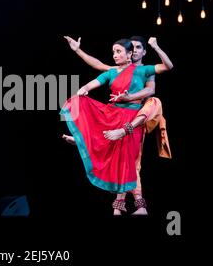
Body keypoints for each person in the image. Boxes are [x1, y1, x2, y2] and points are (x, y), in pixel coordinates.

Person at [62, 35, 173, 215]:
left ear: (142, 52)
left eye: (137, 48)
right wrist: (78, 51)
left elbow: (152, 88)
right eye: (132, 47)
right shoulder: (116, 70)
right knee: (121, 156)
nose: (134, 50)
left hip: (137, 116)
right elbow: (97, 65)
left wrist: (156, 47)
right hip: (115, 114)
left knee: (154, 103)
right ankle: (85, 139)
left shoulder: (145, 70)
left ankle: (133, 204)